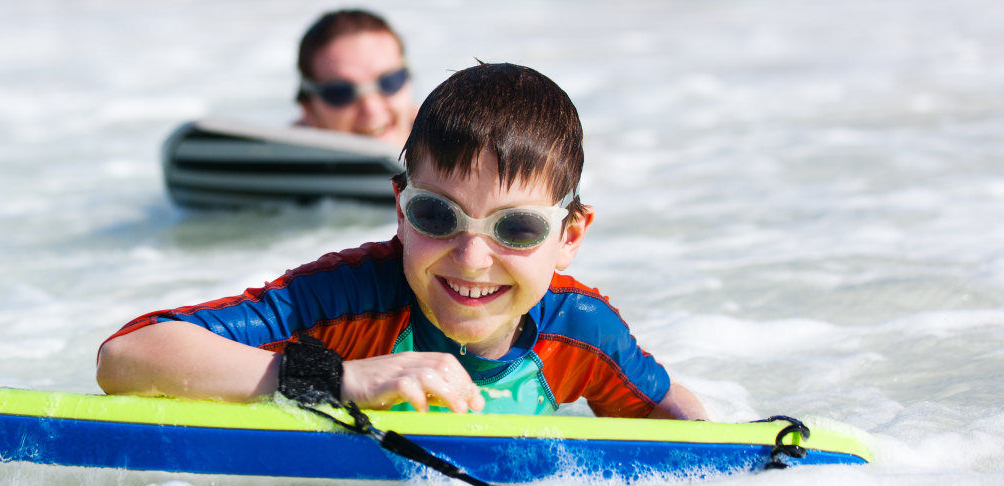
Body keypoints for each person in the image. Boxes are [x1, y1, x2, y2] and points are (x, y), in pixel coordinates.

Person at [98, 63, 708, 420]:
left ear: (569, 236)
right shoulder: (350, 298)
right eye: (437, 217)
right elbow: (129, 355)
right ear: (399, 208)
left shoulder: (580, 332)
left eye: (516, 228)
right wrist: (338, 379)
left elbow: (667, 414)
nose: (472, 258)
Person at [293, 9, 417, 146]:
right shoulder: (277, 162)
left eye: (389, 81)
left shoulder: (443, 141)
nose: (371, 109)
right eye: (341, 92)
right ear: (309, 109)